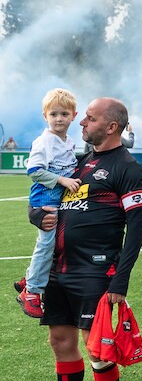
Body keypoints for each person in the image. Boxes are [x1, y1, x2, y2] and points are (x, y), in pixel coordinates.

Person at [27, 97, 142, 381]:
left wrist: (120, 282)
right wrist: (35, 215)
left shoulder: (127, 168)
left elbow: (138, 229)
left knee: (98, 351)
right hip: (57, 270)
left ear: (111, 127)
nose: (81, 123)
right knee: (60, 344)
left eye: (90, 119)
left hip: (95, 272)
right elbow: (45, 199)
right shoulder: (77, 163)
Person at [15, 88, 79, 318]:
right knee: (47, 244)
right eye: (53, 114)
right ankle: (31, 292)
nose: (59, 119)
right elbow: (33, 170)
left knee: (56, 244)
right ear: (45, 116)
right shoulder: (44, 141)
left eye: (64, 114)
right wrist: (62, 179)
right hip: (45, 199)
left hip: (59, 198)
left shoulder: (69, 141)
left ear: (74, 115)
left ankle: (29, 278)